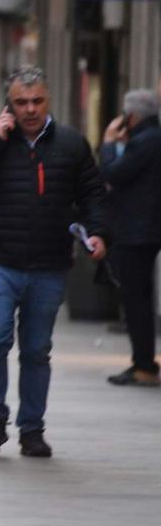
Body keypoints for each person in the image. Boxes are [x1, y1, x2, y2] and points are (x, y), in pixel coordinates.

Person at [0, 66, 106, 458]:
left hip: (49, 265)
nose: (30, 109)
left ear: (48, 100)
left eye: (37, 101)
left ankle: (32, 429)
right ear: (10, 104)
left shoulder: (70, 144)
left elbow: (92, 193)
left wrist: (99, 231)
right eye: (22, 102)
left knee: (36, 350)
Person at [99, 89, 161, 387]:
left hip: (137, 231)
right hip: (147, 228)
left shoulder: (145, 141)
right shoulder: (150, 139)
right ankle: (143, 361)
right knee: (140, 297)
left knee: (135, 298)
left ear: (131, 117)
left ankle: (143, 364)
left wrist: (109, 144)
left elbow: (113, 174)